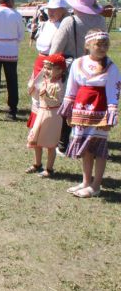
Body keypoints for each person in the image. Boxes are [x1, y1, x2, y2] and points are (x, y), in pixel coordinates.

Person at [60, 29, 119, 198]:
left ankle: (96, 185)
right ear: (88, 45)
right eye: (98, 44)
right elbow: (71, 86)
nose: (102, 48)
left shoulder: (110, 66)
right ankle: (86, 182)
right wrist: (69, 109)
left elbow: (114, 90)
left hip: (99, 112)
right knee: (86, 149)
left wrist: (111, 113)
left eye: (105, 44)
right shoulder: (78, 63)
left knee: (98, 148)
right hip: (81, 109)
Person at [48, 0, 106, 154]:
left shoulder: (70, 21)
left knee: (68, 104)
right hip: (94, 67)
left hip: (73, 68)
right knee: (88, 105)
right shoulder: (101, 21)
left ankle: (63, 142)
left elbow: (56, 49)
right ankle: (87, 141)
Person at [27, 0, 69, 127]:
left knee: (49, 94)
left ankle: (48, 125)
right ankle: (37, 123)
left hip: (53, 64)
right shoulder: (46, 24)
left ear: (62, 10)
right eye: (49, 9)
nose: (51, 12)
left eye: (55, 10)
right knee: (36, 92)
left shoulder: (64, 26)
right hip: (40, 61)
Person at [26, 54, 66, 177]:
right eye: (45, 68)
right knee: (36, 140)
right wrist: (33, 86)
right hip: (41, 113)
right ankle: (37, 164)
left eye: (49, 68)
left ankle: (49, 169)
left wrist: (44, 91)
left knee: (50, 144)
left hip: (52, 115)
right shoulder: (45, 80)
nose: (46, 71)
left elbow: (56, 99)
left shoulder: (59, 85)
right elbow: (35, 94)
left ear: (60, 70)